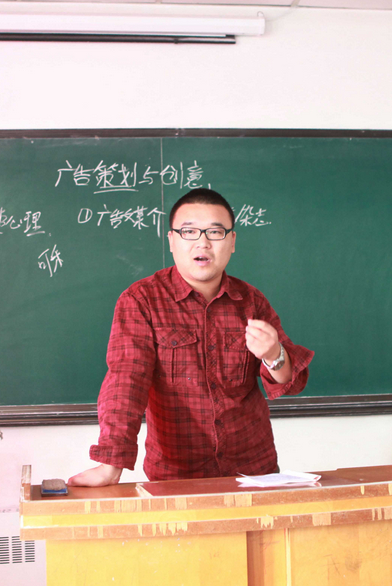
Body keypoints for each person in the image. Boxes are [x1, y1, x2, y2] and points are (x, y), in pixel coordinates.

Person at [68, 189, 314, 487]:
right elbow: (126, 381)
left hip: (253, 471)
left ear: (232, 242)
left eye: (215, 232)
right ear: (172, 240)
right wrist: (111, 464)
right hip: (176, 475)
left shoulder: (251, 301)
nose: (203, 242)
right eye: (189, 231)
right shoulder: (141, 300)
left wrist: (274, 354)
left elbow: (291, 382)